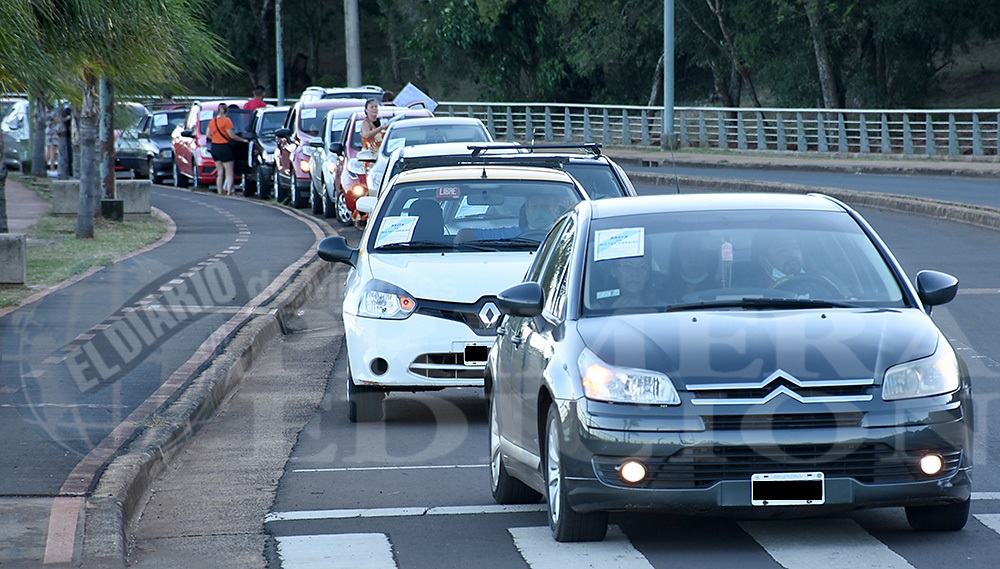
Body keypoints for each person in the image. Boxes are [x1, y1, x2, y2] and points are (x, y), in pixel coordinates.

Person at [207, 103, 248, 196]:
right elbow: (232, 135)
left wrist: (215, 137)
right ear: (227, 111)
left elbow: (208, 134)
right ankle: (229, 191)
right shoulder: (227, 120)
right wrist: (242, 140)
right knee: (229, 172)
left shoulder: (212, 121)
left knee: (220, 171)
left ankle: (219, 191)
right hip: (224, 147)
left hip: (214, 147)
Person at [666, 233, 720, 299]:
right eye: (686, 253)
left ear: (710, 257)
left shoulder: (720, 291)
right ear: (677, 258)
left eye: (700, 253)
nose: (693, 260)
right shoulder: (661, 290)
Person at [45, 106, 60, 173]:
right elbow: (57, 119)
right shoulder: (53, 112)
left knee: (49, 149)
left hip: (48, 131)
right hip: (53, 131)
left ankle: (45, 166)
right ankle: (52, 168)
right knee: (53, 150)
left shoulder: (45, 111)